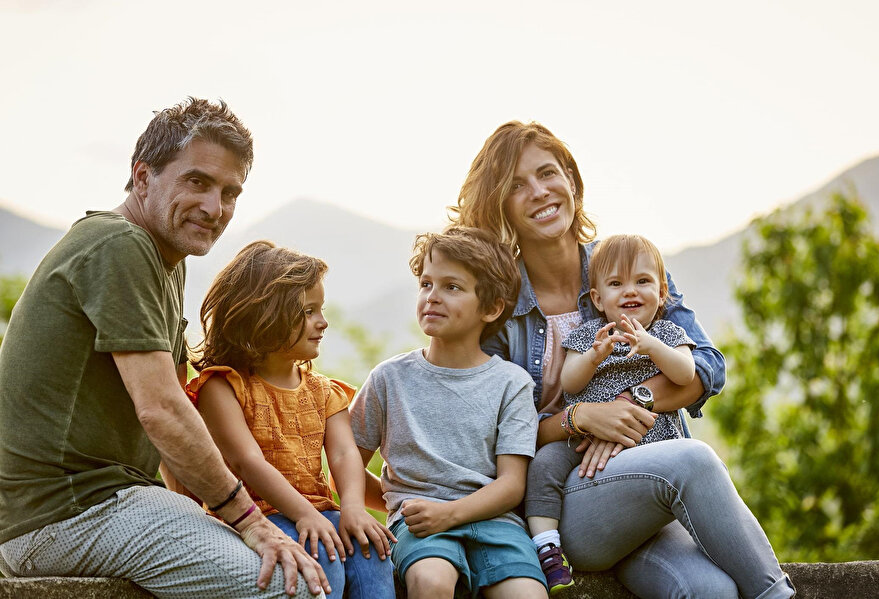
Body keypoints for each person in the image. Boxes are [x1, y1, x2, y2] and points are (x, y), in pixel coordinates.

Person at [450, 121, 795, 599]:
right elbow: (490, 433)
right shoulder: (497, 306)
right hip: (561, 500)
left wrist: (629, 405)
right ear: (500, 204)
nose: (539, 192)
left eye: (548, 173)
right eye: (516, 186)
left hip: (647, 486)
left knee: (711, 592)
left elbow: (708, 368)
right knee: (693, 460)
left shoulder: (628, 267)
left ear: (570, 179)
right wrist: (581, 418)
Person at [0, 98, 328, 598]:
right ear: (143, 176)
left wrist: (205, 516)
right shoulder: (118, 245)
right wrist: (250, 523)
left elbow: (177, 417)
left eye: (229, 192)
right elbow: (163, 411)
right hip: (61, 513)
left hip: (109, 501)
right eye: (197, 182)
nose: (214, 208)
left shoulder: (164, 261)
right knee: (293, 588)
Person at [187, 240, 396, 599]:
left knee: (370, 553)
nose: (323, 321)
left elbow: (344, 456)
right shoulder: (223, 387)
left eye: (321, 309)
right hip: (255, 518)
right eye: (308, 311)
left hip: (321, 512)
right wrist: (303, 515)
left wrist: (353, 509)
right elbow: (246, 461)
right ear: (265, 316)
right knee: (319, 557)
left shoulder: (323, 390)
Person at [350, 227, 548, 599]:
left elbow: (511, 484)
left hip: (498, 525)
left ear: (490, 308)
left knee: (527, 595)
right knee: (431, 582)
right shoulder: (389, 378)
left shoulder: (512, 383)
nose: (432, 297)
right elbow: (346, 465)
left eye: (452, 287)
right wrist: (398, 505)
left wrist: (451, 513)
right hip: (422, 530)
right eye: (426, 284)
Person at [525, 233, 697, 592]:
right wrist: (593, 356)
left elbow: (686, 375)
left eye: (643, 282)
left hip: (648, 438)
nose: (630, 291)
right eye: (617, 284)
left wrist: (653, 346)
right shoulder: (590, 334)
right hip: (582, 438)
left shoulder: (668, 332)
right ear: (597, 299)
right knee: (543, 466)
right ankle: (547, 547)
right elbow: (570, 384)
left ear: (663, 292)